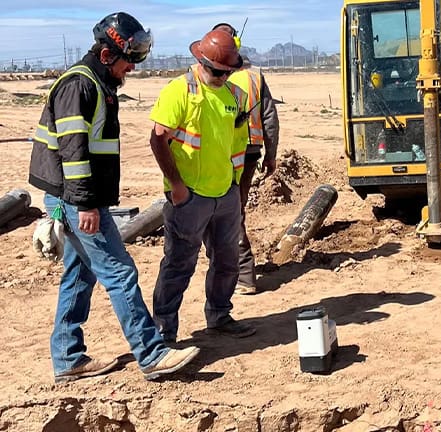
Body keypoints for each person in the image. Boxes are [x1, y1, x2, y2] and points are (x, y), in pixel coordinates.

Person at [28, 12, 199, 383]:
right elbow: (73, 152)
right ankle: (152, 354)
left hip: (79, 197)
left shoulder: (97, 83)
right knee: (120, 272)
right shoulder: (81, 85)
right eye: (128, 62)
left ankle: (68, 358)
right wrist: (86, 204)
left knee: (79, 274)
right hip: (77, 199)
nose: (131, 70)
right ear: (107, 55)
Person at [150, 29, 256, 341]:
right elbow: (158, 140)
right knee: (179, 264)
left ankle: (219, 315)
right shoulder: (179, 91)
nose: (222, 77)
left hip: (224, 194)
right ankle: (164, 331)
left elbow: (237, 143)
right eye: (217, 71)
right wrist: (177, 187)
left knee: (227, 261)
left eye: (228, 72)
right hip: (190, 197)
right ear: (202, 62)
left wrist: (236, 187)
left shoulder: (234, 96)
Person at [212, 23, 280, 295]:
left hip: (223, 154)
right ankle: (234, 270)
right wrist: (271, 155)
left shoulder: (212, 74)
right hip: (250, 153)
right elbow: (270, 119)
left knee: (228, 214)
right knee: (232, 211)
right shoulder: (254, 77)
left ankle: (243, 274)